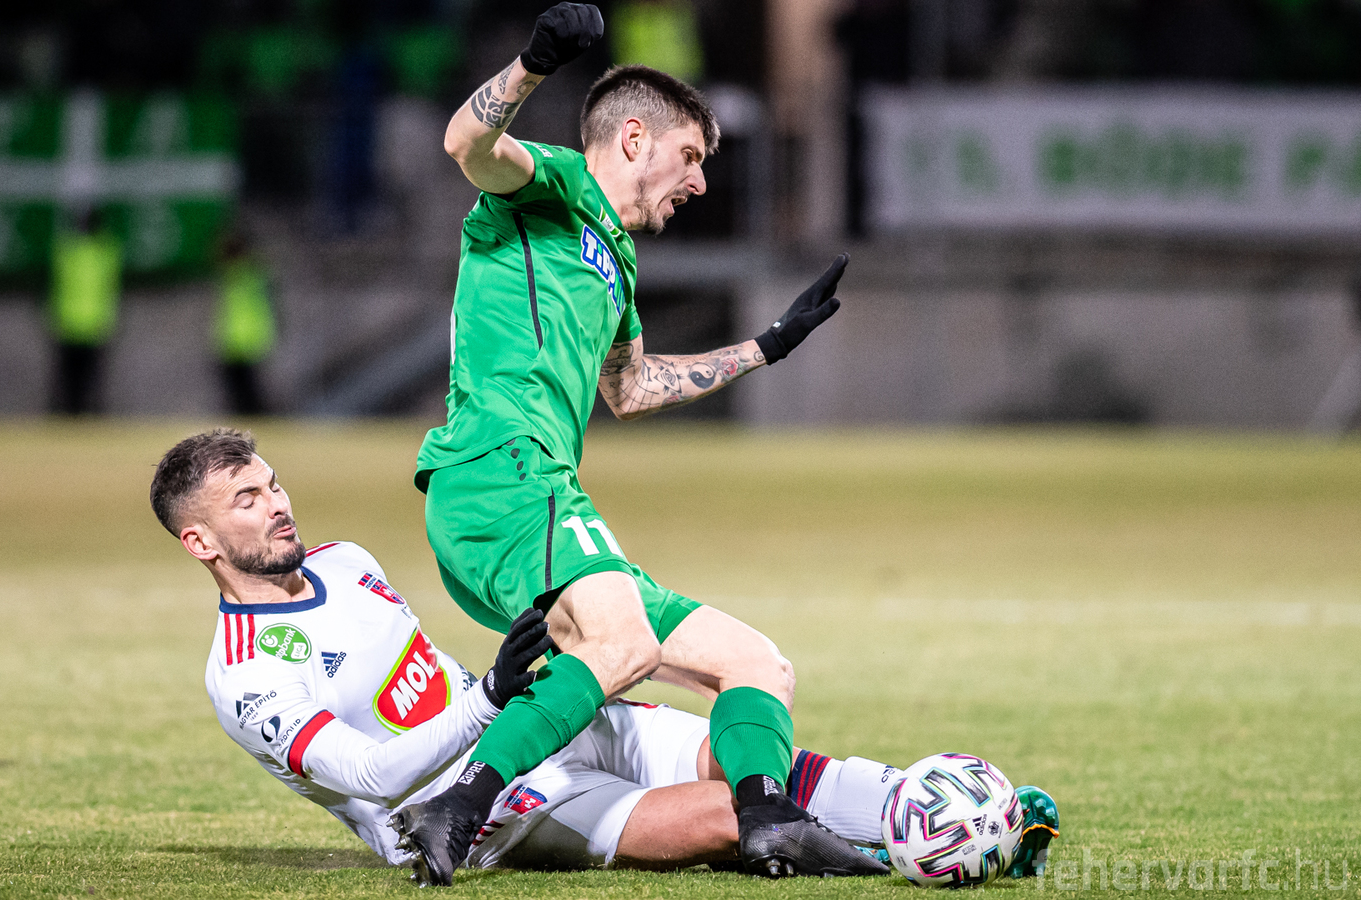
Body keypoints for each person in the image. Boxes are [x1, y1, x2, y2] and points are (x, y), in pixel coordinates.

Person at [146, 429, 1063, 876]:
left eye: (273, 484)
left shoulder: (346, 561)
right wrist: (485, 700)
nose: (278, 505)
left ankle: (939, 810)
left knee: (750, 764)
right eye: (246, 500)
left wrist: (504, 692)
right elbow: (372, 774)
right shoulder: (245, 677)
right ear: (200, 541)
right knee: (721, 818)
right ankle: (926, 850)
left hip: (522, 722)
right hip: (475, 814)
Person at [400, 3, 861, 885]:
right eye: (691, 155)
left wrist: (766, 347)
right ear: (636, 138)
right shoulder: (554, 186)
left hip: (541, 490)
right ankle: (458, 805)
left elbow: (632, 387)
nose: (699, 181)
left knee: (754, 664)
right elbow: (467, 144)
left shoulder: (615, 254)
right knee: (622, 646)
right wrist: (534, 63)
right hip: (500, 472)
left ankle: (769, 820)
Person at [48, 207, 122, 415]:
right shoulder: (102, 251)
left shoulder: (70, 250)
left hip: (79, 321)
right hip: (80, 322)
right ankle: (73, 413)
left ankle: (81, 413)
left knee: (82, 378)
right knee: (74, 378)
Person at [214, 231, 277, 416]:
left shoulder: (244, 275)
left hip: (243, 341)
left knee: (246, 392)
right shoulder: (244, 275)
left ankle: (257, 418)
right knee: (242, 391)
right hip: (239, 341)